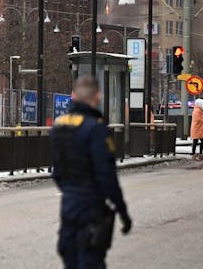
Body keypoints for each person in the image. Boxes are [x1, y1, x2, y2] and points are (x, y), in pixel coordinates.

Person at [51, 76, 131, 268]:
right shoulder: (95, 128)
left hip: (68, 203)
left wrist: (69, 190)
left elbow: (57, 170)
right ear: (97, 97)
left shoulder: (59, 125)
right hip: (91, 204)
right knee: (91, 258)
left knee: (70, 253)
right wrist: (122, 211)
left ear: (73, 96)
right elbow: (106, 175)